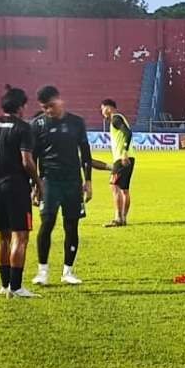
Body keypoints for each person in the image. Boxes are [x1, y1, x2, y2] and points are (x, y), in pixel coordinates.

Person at [0, 86, 43, 298]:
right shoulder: (23, 128)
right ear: (21, 106)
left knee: (3, 237)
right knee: (21, 236)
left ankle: (4, 285)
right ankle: (16, 288)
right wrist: (38, 183)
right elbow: (27, 160)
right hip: (17, 187)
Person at [31, 85, 91, 286]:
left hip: (73, 182)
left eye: (50, 106)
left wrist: (88, 181)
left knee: (71, 225)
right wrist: (35, 185)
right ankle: (42, 272)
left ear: (59, 100)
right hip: (49, 181)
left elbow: (85, 153)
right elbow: (33, 156)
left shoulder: (76, 122)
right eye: (44, 107)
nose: (48, 110)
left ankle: (68, 271)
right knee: (47, 224)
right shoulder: (37, 124)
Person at [99, 99, 135, 227]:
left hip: (122, 158)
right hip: (130, 157)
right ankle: (123, 219)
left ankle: (118, 218)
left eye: (102, 109)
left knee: (114, 186)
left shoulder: (115, 119)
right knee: (124, 189)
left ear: (108, 108)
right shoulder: (120, 118)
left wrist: (124, 151)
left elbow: (128, 132)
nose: (102, 112)